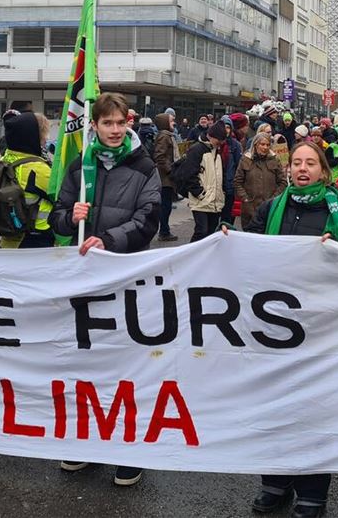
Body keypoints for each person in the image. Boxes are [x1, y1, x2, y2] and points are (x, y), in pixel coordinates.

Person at [227, 142, 338, 518]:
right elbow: (250, 246)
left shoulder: (337, 211)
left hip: (319, 328)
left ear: (323, 171)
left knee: (312, 411)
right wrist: (228, 240)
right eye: (297, 162)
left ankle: (312, 493)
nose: (302, 168)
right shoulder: (273, 207)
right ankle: (275, 482)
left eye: (310, 163)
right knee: (274, 407)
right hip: (274, 327)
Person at [49, 92, 159, 487]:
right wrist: (69, 217)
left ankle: (129, 449)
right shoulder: (81, 164)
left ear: (128, 122)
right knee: (86, 364)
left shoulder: (145, 167)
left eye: (120, 123)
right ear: (93, 125)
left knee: (126, 367)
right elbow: (55, 216)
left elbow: (149, 220)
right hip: (85, 281)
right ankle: (86, 442)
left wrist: (109, 240)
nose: (114, 130)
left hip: (125, 278)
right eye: (106, 123)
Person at [0, 112, 54, 248]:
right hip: (35, 239)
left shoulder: (4, 160)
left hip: (8, 240)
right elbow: (61, 194)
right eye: (43, 136)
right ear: (33, 137)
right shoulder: (37, 168)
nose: (45, 140)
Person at [181, 121, 227, 242]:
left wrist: (221, 192)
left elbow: (220, 174)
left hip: (215, 200)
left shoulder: (217, 151)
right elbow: (189, 174)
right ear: (211, 136)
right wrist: (200, 193)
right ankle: (191, 252)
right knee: (201, 231)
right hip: (201, 199)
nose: (221, 143)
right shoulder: (196, 149)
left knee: (210, 233)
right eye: (219, 140)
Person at [233, 132, 286, 229]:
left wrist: (274, 198)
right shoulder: (246, 159)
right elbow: (237, 182)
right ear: (256, 144)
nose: (265, 147)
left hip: (269, 207)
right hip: (249, 208)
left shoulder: (274, 160)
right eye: (262, 144)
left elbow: (283, 182)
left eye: (268, 145)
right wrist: (245, 198)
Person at [153, 112, 179, 241]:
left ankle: (164, 230)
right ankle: (164, 231)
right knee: (165, 206)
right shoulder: (164, 136)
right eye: (171, 121)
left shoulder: (168, 135)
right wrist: (170, 170)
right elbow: (160, 156)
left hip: (167, 177)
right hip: (165, 178)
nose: (174, 123)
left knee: (166, 205)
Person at [217, 116, 243, 226]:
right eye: (224, 127)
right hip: (216, 185)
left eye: (228, 127)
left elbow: (239, 166)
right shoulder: (215, 144)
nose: (226, 130)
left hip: (229, 185)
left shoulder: (235, 145)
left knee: (227, 217)